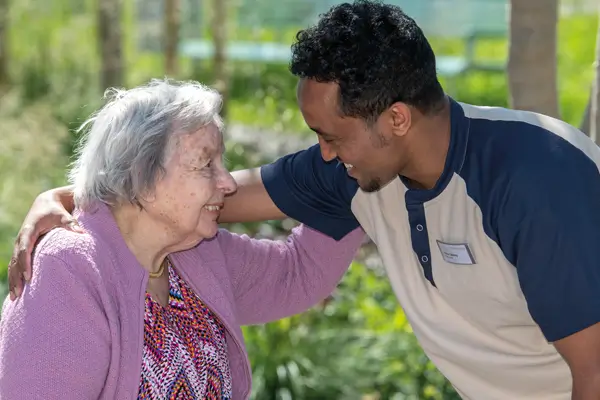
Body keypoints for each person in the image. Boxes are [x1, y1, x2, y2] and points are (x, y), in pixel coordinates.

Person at [7, 1, 600, 399]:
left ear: (395, 119)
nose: (318, 156)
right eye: (319, 137)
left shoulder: (537, 179)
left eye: (331, 137)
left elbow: (594, 370)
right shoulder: (356, 165)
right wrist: (63, 198)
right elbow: (163, 200)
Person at [0, 79, 364, 400]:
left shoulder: (194, 252)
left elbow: (295, 275)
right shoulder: (70, 268)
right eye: (206, 164)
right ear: (143, 173)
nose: (229, 183)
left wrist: (361, 171)